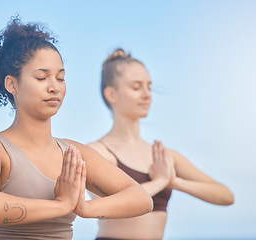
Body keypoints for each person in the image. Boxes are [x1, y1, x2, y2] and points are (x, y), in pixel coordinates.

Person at [0, 18, 153, 240]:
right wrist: (62, 205)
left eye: (60, 78)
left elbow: (141, 199)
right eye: (42, 77)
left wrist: (83, 208)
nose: (54, 87)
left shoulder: (73, 155)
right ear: (12, 84)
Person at [88, 48, 235, 240]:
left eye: (149, 86)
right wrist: (158, 182)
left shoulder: (164, 157)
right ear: (111, 94)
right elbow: (106, 208)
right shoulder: (97, 152)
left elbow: (226, 196)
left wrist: (175, 182)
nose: (147, 94)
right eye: (136, 87)